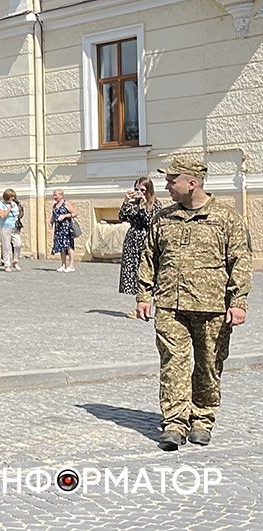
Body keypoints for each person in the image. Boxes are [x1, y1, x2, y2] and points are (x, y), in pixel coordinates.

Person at [136, 156, 250, 450]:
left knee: (209, 366)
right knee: (172, 363)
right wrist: (144, 295)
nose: (166, 185)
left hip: (212, 307)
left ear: (192, 183)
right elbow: (150, 257)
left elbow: (240, 261)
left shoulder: (226, 218)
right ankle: (174, 423)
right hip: (170, 306)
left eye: (172, 180)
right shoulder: (164, 218)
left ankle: (202, 419)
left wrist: (238, 302)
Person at [119, 176, 163, 305]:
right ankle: (139, 303)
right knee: (134, 272)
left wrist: (144, 207)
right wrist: (126, 201)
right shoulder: (134, 204)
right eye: (136, 189)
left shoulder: (155, 204)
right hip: (133, 240)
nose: (139, 192)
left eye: (142, 190)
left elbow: (150, 222)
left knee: (146, 270)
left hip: (146, 240)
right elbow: (122, 217)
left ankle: (146, 302)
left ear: (149, 190)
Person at [50, 188, 78, 272]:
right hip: (58, 228)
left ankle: (71, 265)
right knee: (61, 247)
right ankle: (63, 264)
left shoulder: (66, 204)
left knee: (69, 246)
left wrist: (65, 216)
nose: (54, 197)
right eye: (54, 195)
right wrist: (51, 222)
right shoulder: (55, 206)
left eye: (56, 195)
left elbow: (75, 213)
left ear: (61, 195)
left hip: (66, 228)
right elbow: (53, 215)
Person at [0, 189, 23, 272]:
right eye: (11, 197)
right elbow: (2, 216)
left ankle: (15, 261)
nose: (13, 198)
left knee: (18, 244)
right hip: (5, 227)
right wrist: (9, 208)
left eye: (14, 196)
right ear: (7, 197)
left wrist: (21, 208)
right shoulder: (1, 205)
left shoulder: (15, 204)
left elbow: (20, 215)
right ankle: (7, 265)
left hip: (15, 227)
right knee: (6, 246)